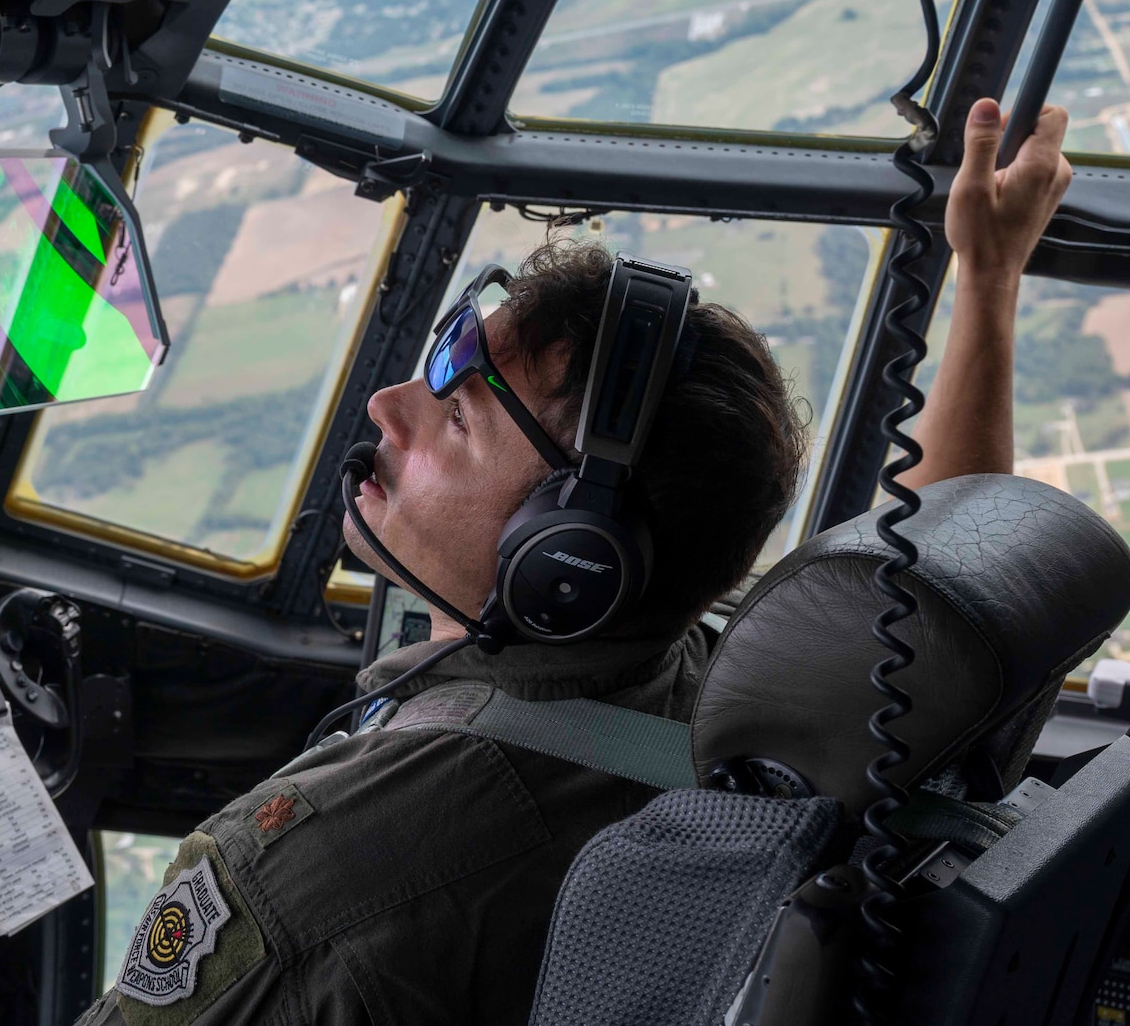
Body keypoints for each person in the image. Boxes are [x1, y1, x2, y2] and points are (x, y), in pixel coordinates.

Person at [75, 97, 1076, 1026]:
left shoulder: (319, 870)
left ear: (568, 554)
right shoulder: (758, 714)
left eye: (453, 413)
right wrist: (984, 278)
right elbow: (931, 613)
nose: (386, 404)